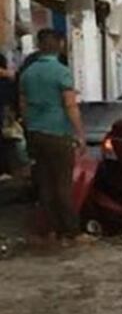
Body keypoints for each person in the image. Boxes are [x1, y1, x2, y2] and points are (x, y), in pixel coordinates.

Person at [19, 29, 86, 241]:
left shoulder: (27, 73)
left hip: (35, 133)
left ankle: (50, 230)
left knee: (45, 185)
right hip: (58, 133)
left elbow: (23, 106)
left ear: (39, 46)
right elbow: (70, 105)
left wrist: (31, 129)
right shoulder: (61, 71)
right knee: (62, 186)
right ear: (61, 44)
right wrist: (80, 133)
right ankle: (72, 232)